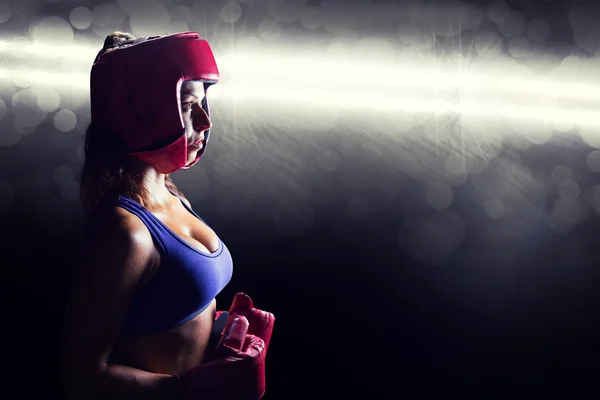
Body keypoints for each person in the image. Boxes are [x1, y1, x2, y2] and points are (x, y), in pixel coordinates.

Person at [60, 31, 274, 400]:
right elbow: (81, 380)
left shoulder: (169, 191)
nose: (205, 121)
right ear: (142, 112)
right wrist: (187, 389)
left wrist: (220, 337)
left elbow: (165, 311)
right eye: (190, 106)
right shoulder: (124, 231)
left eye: (203, 103)